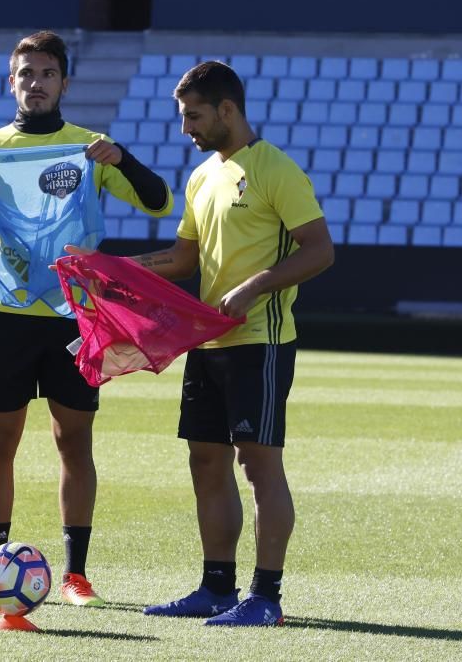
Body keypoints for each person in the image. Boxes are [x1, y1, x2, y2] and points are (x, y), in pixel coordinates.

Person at [0, 30, 173, 607]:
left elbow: (159, 202)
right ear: (12, 83)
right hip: (5, 317)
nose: (36, 83)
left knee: (73, 440)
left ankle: (76, 575)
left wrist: (121, 157)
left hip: (74, 318)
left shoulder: (88, 148)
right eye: (26, 74)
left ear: (63, 83)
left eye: (46, 73)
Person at [134, 60, 334, 626]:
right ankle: (216, 586)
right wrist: (114, 268)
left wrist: (257, 285)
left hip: (261, 343)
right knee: (204, 461)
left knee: (259, 466)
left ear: (227, 110)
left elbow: (320, 250)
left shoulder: (276, 170)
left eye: (193, 116)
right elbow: (181, 260)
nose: (186, 129)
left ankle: (265, 596)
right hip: (208, 345)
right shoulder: (201, 178)